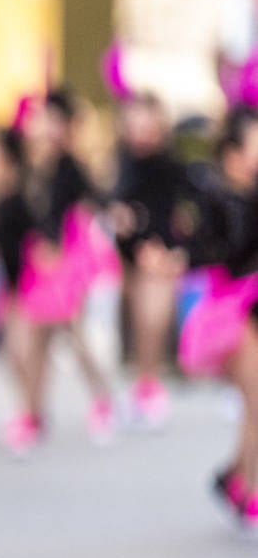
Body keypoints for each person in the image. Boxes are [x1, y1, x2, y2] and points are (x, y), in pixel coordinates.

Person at [0, 91, 118, 457]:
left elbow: (92, 200)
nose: (42, 126)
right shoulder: (19, 165)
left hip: (61, 262)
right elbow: (11, 214)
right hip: (27, 264)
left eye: (48, 119)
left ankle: (102, 400)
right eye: (36, 119)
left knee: (73, 335)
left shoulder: (68, 167)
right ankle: (32, 412)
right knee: (28, 345)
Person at [177, 107, 258, 526]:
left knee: (254, 404)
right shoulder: (215, 198)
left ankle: (236, 478)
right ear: (231, 152)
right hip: (233, 311)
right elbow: (215, 253)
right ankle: (244, 486)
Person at [109, 92, 192, 428]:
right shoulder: (122, 163)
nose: (141, 133)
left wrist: (171, 245)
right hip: (129, 252)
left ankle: (150, 386)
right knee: (137, 320)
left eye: (148, 126)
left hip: (160, 251)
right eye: (135, 126)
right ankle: (141, 385)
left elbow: (187, 209)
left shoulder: (173, 168)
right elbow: (111, 202)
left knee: (153, 319)